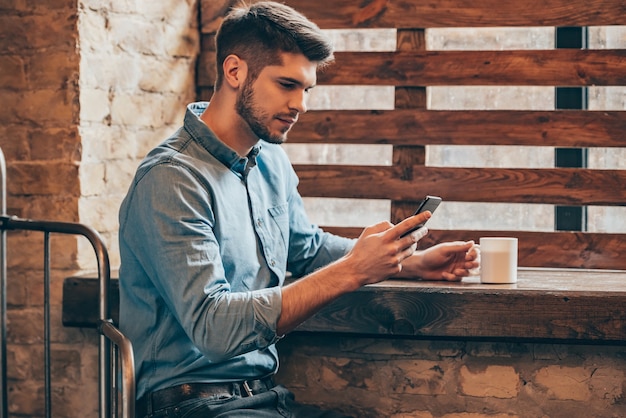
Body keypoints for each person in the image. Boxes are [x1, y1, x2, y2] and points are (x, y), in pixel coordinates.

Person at [118, 2, 479, 417]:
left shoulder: (269, 160)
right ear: (234, 72)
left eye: (306, 89)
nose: (301, 104)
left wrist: (406, 263)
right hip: (189, 404)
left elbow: (306, 249)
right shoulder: (171, 179)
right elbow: (213, 328)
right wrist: (353, 270)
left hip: (263, 396)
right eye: (287, 84)